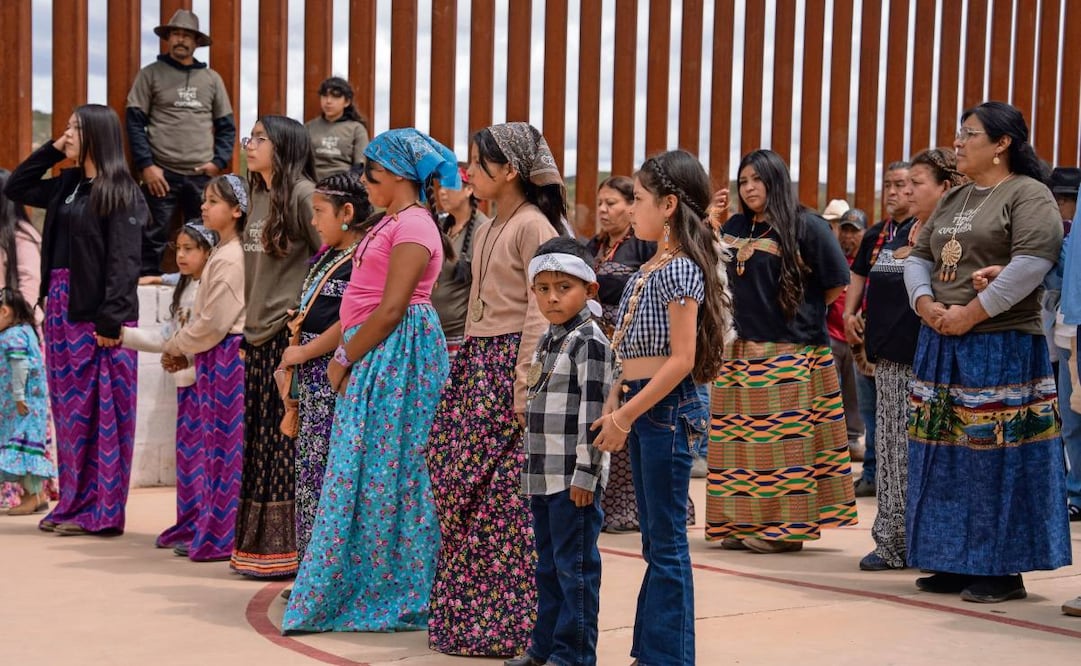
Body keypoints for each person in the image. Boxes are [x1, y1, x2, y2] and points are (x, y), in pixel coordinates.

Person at [282, 128, 455, 632]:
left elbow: (393, 308)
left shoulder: (416, 226)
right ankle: (359, 583)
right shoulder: (391, 222)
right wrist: (344, 348)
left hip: (397, 355)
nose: (365, 182)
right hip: (376, 351)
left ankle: (395, 588)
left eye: (372, 174)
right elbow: (363, 301)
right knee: (365, 472)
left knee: (390, 475)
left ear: (399, 177)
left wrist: (342, 358)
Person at [902, 101, 1071, 603]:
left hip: (1000, 346)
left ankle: (1001, 569)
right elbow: (921, 255)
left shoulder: (1028, 193)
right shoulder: (955, 199)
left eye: (968, 133)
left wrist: (970, 313)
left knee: (996, 461)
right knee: (942, 455)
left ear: (1002, 144)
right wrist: (926, 304)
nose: (957, 141)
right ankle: (953, 560)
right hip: (942, 343)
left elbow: (1033, 262)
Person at [427, 121, 564, 656]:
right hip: (477, 361)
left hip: (508, 367)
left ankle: (504, 626)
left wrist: (523, 384)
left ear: (509, 171)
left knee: (499, 502)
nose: (469, 173)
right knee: (456, 480)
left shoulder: (534, 227)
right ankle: (467, 619)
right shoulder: (485, 226)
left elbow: (540, 311)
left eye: (480, 164)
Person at [590, 149, 730, 666]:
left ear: (669, 205)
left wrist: (626, 415)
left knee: (666, 546)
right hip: (644, 406)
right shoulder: (653, 265)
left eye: (640, 200)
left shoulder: (678, 270)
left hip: (667, 412)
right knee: (656, 544)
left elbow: (681, 360)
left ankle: (667, 658)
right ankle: (653, 653)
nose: (631, 210)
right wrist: (615, 402)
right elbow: (629, 350)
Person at [708, 149, 858, 554]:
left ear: (776, 181)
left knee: (782, 448)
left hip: (790, 353)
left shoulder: (807, 226)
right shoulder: (735, 226)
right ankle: (741, 524)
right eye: (743, 181)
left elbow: (834, 286)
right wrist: (709, 220)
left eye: (757, 179)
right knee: (742, 447)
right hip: (738, 352)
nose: (750, 187)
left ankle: (785, 532)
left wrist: (799, 317)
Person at [5, 104, 145, 536]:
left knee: (102, 416)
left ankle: (102, 513)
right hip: (62, 310)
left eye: (74, 128)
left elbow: (124, 260)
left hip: (96, 316)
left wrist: (112, 318)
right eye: (65, 126)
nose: (67, 133)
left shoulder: (121, 189)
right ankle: (72, 503)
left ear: (97, 135)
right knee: (70, 415)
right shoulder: (67, 185)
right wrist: (52, 148)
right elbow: (19, 185)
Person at [848, 149, 965, 571]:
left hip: (931, 362)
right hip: (890, 362)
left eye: (917, 183)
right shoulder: (897, 234)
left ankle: (927, 544)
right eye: (903, 183)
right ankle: (892, 541)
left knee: (928, 457)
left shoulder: (951, 238)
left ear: (945, 188)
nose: (907, 190)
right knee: (892, 453)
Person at [504, 238, 612, 666]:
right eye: (543, 287)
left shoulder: (589, 340)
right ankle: (543, 648)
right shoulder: (550, 337)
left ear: (590, 289)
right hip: (543, 476)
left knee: (576, 572)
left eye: (563, 287)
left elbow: (594, 414)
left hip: (572, 481)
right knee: (548, 568)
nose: (552, 297)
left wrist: (586, 474)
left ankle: (573, 656)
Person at [233, 116, 320, 577]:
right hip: (255, 334)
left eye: (261, 138)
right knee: (259, 443)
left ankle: (288, 553)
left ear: (284, 146)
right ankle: (258, 548)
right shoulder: (258, 196)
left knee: (284, 443)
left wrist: (300, 316)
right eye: (250, 137)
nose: (250, 144)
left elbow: (333, 257)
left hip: (287, 339)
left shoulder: (305, 195)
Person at [280, 172, 370, 565]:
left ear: (346, 212)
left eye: (320, 212)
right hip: (312, 380)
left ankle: (326, 572)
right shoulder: (333, 257)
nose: (314, 222)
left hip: (330, 377)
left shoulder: (361, 260)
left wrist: (306, 350)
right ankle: (309, 571)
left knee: (329, 476)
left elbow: (351, 321)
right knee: (309, 476)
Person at [157, 175, 248, 562]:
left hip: (227, 357)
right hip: (215, 357)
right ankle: (211, 529)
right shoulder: (224, 253)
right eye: (205, 200)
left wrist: (177, 345)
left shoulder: (232, 257)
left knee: (226, 451)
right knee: (215, 450)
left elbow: (213, 323)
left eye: (213, 202)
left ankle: (221, 535)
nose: (204, 207)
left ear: (237, 211)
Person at [121, 221, 211, 551]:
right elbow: (167, 336)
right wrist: (124, 337)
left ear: (208, 252)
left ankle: (207, 525)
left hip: (208, 384)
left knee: (205, 459)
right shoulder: (185, 287)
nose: (182, 255)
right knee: (188, 460)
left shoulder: (210, 287)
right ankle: (190, 524)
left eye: (191, 249)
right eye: (179, 249)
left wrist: (180, 355)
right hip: (186, 386)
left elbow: (201, 334)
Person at [127, 9, 236, 277]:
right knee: (152, 236)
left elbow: (226, 126)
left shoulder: (211, 79)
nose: (181, 40)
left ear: (196, 42)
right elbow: (133, 121)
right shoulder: (150, 74)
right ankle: (146, 289)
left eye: (187, 35)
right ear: (168, 38)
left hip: (201, 175)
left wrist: (217, 163)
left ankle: (202, 287)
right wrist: (146, 166)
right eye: (176, 33)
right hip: (161, 173)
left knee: (205, 235)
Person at [845, 162, 912, 497]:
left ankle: (895, 481)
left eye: (900, 185)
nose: (893, 193)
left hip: (905, 344)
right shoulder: (874, 234)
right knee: (871, 413)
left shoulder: (921, 230)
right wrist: (848, 314)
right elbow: (857, 276)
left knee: (898, 419)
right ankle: (871, 474)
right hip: (868, 342)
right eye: (888, 186)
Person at [0, 169, 55, 511]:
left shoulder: (22, 238)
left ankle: (29, 493)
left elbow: (31, 292)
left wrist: (10, 321)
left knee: (21, 423)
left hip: (17, 340)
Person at [1045, 167, 1081, 522]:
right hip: (1061, 334)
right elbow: (1053, 281)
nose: (1061, 205)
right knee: (1069, 421)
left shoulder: (1070, 238)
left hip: (1071, 329)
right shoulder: (1056, 235)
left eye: (1065, 199)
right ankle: (1075, 492)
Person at [0, 288, 50, 516]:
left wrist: (19, 397)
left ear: (4, 311)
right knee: (27, 449)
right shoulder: (26, 330)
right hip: (30, 406)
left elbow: (20, 367)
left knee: (21, 450)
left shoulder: (13, 336)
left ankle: (31, 497)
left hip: (22, 407)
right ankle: (36, 496)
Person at [430, 163, 488, 359]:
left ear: (469, 189)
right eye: (440, 187)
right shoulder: (441, 227)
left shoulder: (483, 230)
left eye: (450, 185)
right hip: (433, 334)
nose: (442, 193)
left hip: (460, 339)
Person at [306, 76, 370, 182]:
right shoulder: (309, 127)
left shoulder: (356, 129)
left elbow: (360, 165)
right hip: (311, 184)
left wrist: (345, 184)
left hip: (344, 184)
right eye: (325, 96)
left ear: (347, 102)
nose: (328, 101)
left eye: (335, 97)